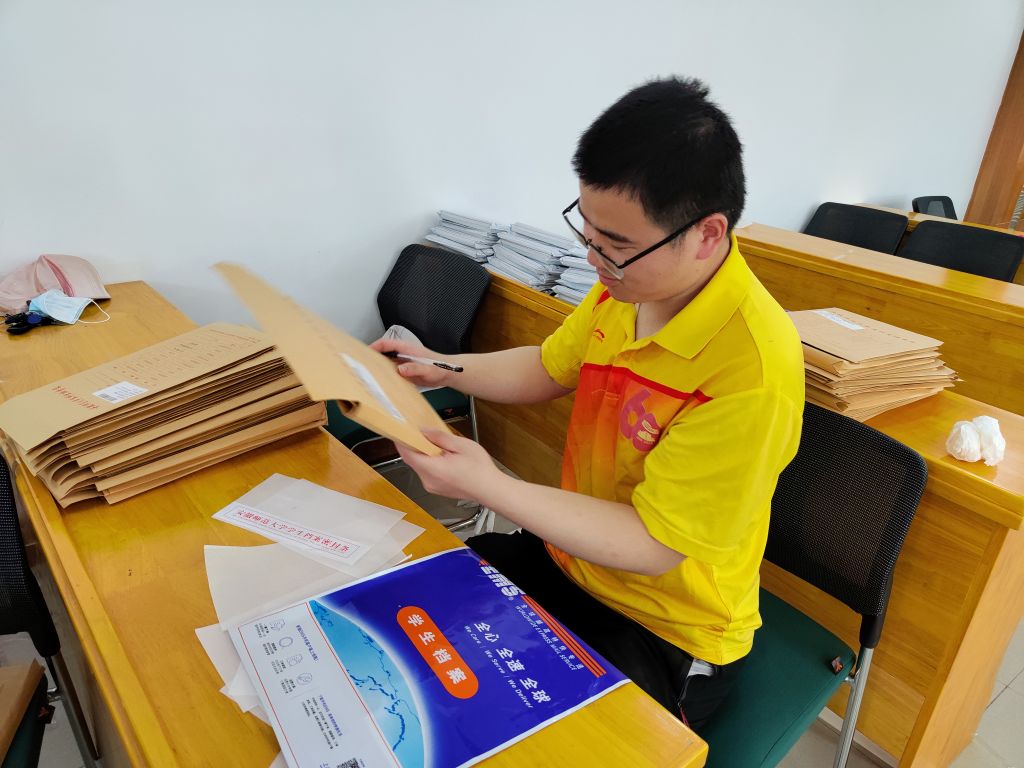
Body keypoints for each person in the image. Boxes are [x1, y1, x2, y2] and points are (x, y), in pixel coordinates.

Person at [371, 76, 805, 732]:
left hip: (662, 626)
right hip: (567, 562)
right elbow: (549, 365)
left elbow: (655, 543)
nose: (595, 258)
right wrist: (440, 367)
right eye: (589, 231)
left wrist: (489, 485)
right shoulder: (624, 290)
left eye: (617, 244)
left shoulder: (753, 369)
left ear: (707, 234)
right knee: (400, 636)